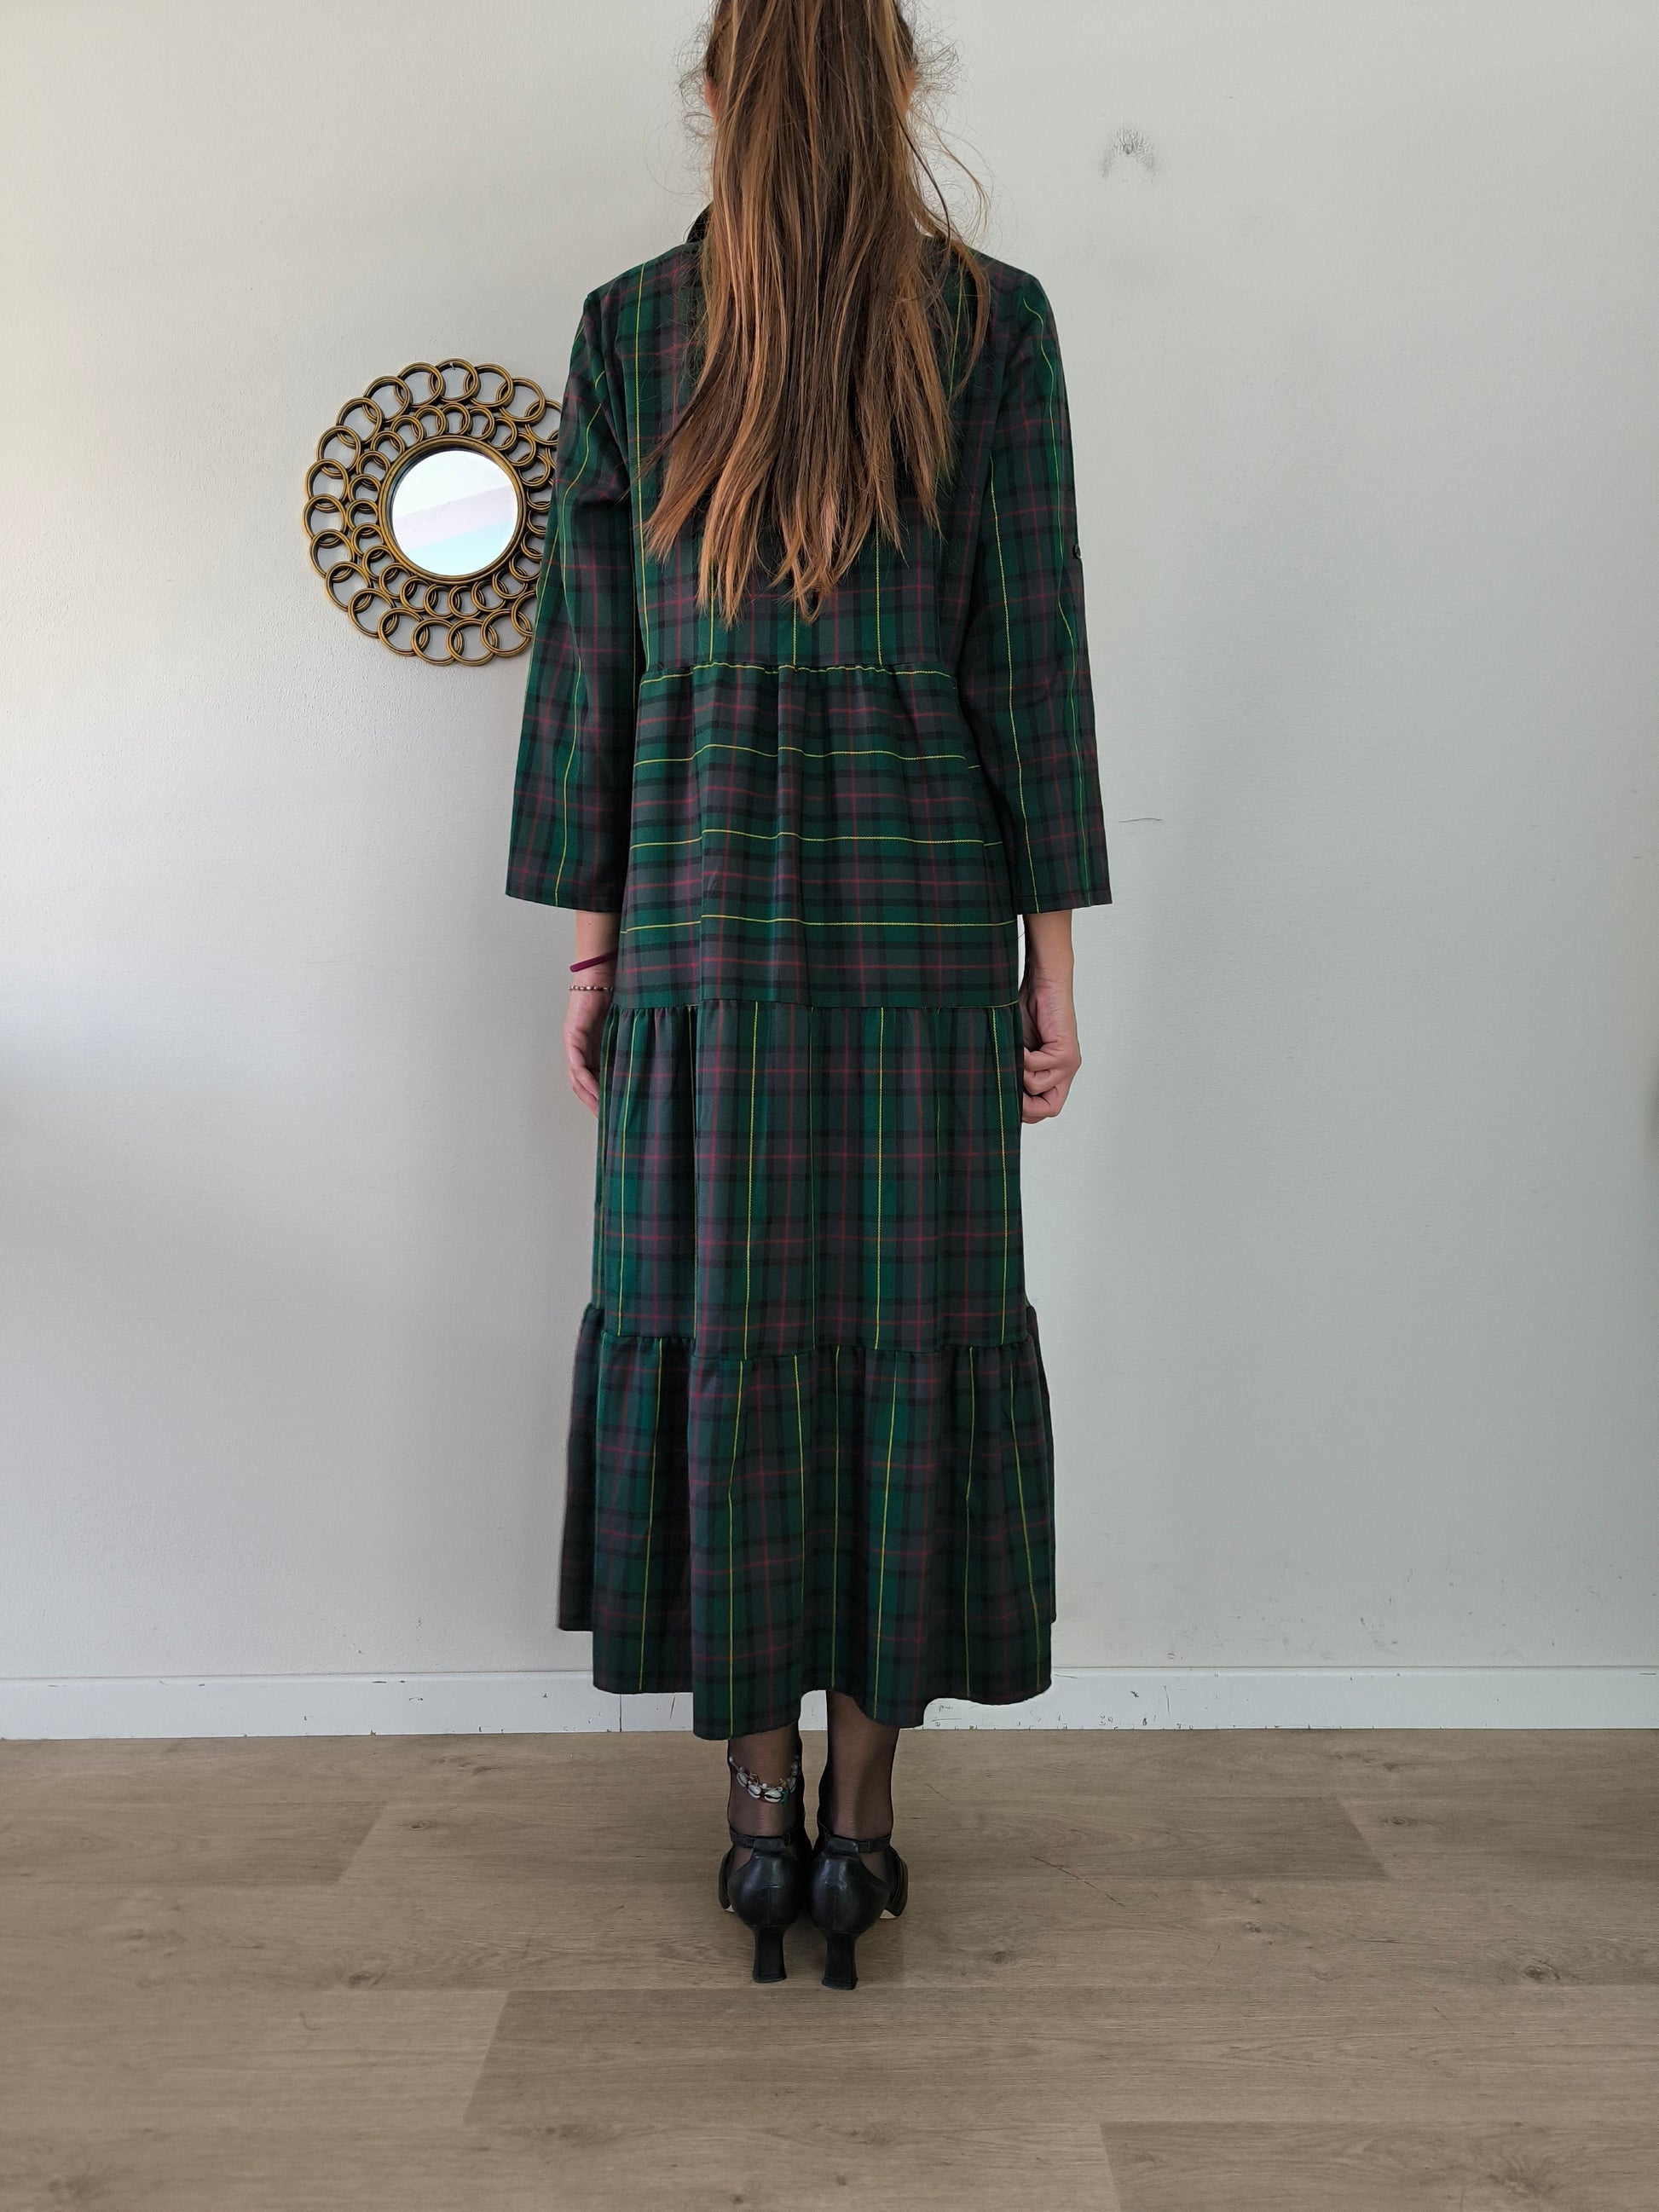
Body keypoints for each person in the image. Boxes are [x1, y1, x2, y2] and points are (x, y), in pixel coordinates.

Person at [507, 0, 1110, 1991]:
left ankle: (756, 1812)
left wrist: (590, 946)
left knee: (722, 1327)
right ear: (903, 88)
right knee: (905, 1336)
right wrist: (1048, 962)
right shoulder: (992, 324)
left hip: (694, 925)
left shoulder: (629, 328)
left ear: (714, 99)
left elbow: (586, 670)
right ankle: (863, 1817)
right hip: (923, 931)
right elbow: (1031, 657)